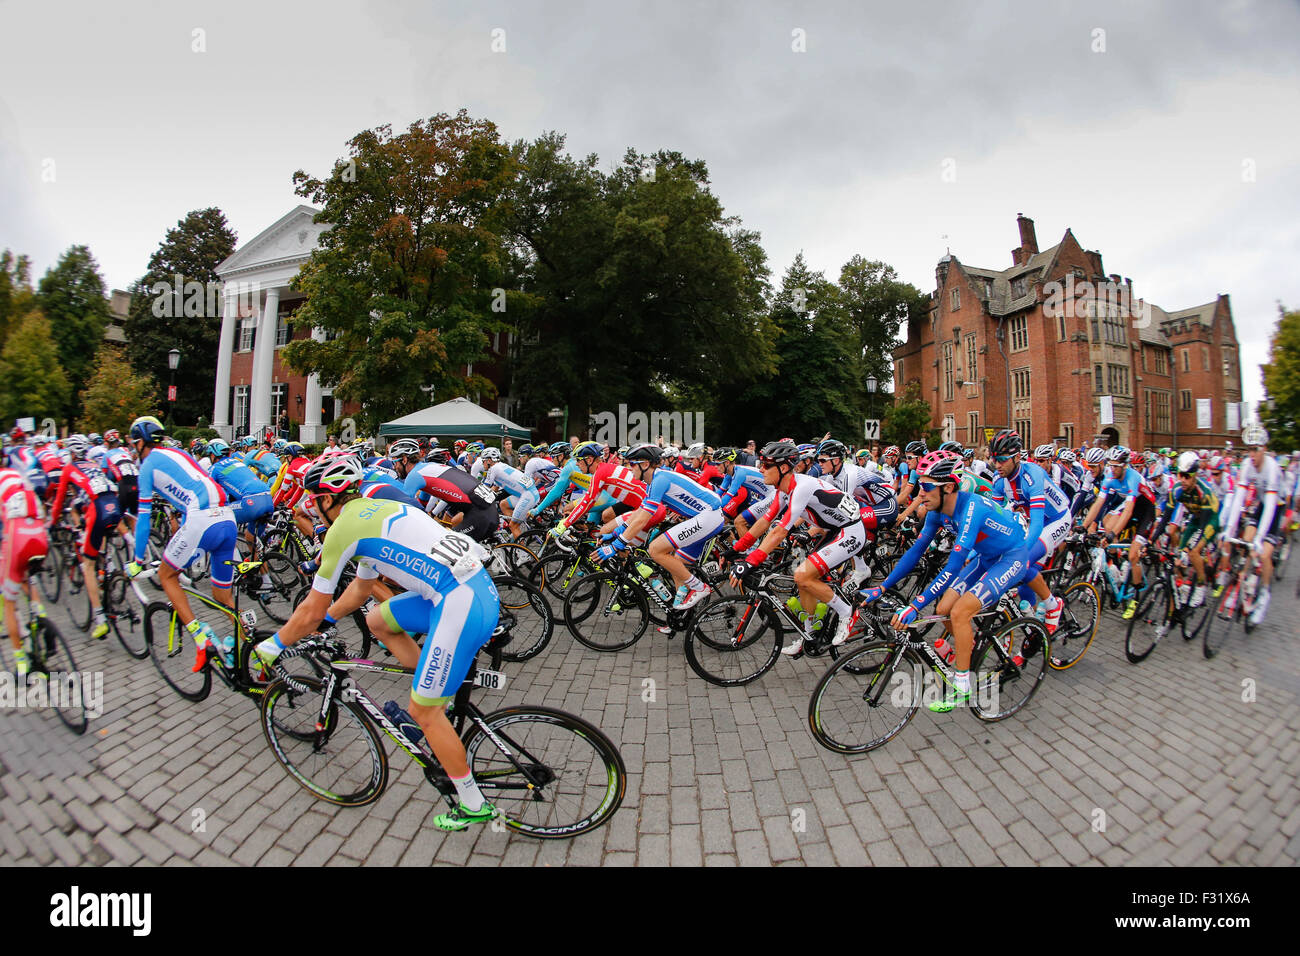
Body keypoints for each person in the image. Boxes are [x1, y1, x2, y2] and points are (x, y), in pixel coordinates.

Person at [253, 455, 501, 832]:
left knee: (423, 713)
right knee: (377, 620)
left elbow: (309, 609)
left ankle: (472, 802)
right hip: (467, 591)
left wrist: (272, 645)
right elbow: (361, 590)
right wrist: (330, 622)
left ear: (327, 500)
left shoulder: (341, 530)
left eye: (313, 500)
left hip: (461, 602)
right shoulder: (376, 509)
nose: (311, 509)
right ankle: (436, 691)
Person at [125, 416, 239, 671]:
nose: (134, 449)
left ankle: (201, 640)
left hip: (201, 520)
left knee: (167, 576)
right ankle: (244, 648)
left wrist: (137, 560)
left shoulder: (146, 467)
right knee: (223, 596)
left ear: (141, 443)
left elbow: (143, 519)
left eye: (134, 444)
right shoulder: (179, 452)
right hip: (227, 517)